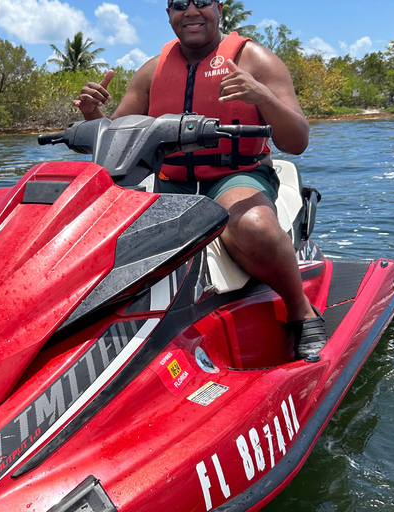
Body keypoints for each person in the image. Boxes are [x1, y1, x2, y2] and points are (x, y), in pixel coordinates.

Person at [74, 0, 326, 360]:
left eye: (201, 2)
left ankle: (300, 311)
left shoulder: (255, 60)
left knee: (253, 227)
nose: (190, 11)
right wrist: (92, 115)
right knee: (97, 234)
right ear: (168, 15)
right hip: (170, 182)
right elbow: (117, 139)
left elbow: (297, 141)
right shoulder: (152, 72)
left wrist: (261, 95)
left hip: (235, 176)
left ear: (219, 8)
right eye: (179, 4)